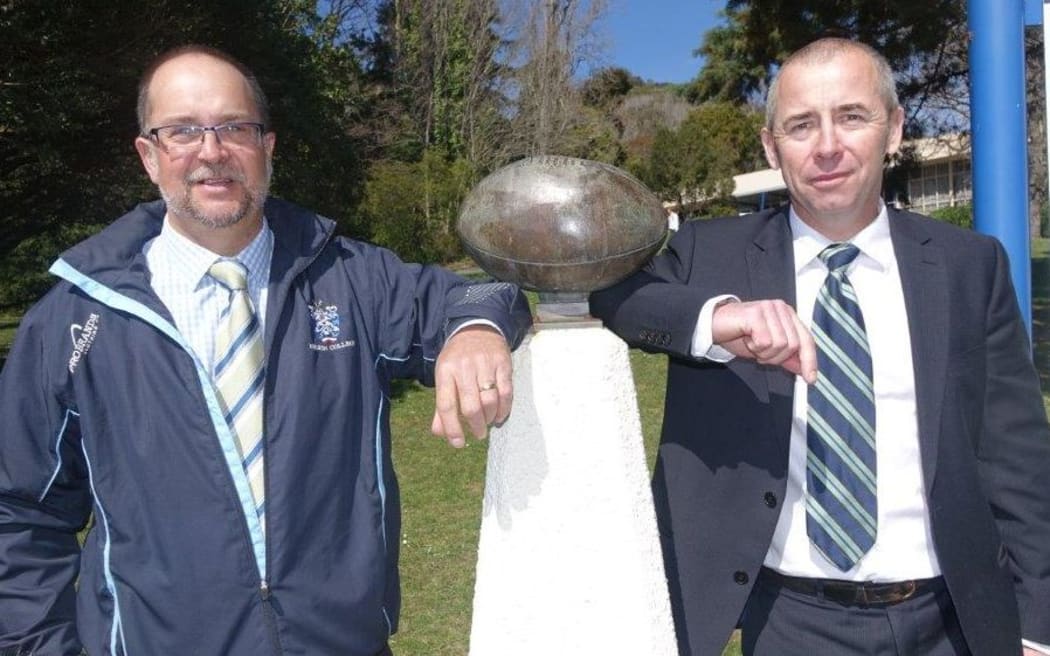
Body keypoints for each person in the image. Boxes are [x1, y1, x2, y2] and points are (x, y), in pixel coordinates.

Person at [0, 45, 531, 655]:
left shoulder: (350, 278)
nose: (211, 150)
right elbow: (20, 514)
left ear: (267, 147)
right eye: (182, 131)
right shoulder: (74, 318)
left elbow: (490, 292)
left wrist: (474, 331)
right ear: (149, 156)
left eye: (235, 127)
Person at [591, 37, 1050, 656]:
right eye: (801, 125)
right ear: (770, 147)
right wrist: (720, 316)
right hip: (790, 620)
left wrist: (1035, 625)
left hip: (953, 618)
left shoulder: (970, 265)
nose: (827, 146)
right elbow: (615, 292)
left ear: (893, 130)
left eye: (852, 117)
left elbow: (1017, 457)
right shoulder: (710, 253)